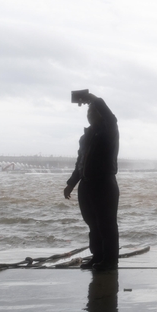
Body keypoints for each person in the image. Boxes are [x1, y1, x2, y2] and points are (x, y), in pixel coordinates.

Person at [64, 93, 119, 271]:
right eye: (88, 111)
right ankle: (97, 256)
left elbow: (111, 117)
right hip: (86, 185)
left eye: (93, 110)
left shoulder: (109, 131)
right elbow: (80, 163)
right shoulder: (86, 137)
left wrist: (92, 98)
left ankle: (109, 261)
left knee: (106, 224)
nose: (90, 113)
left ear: (101, 113)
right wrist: (72, 183)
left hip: (104, 184)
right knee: (92, 224)